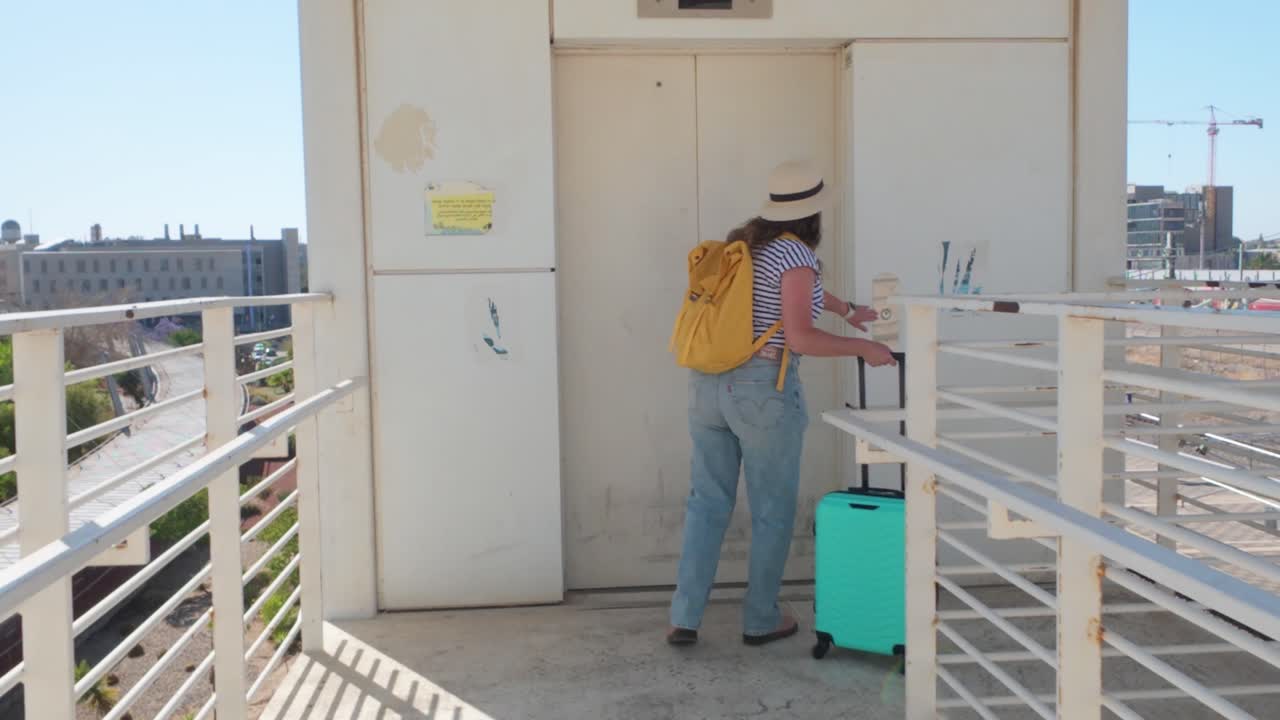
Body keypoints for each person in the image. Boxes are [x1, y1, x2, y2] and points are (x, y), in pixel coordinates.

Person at [667, 160, 897, 647]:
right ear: (814, 214)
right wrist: (863, 346)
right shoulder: (797, 256)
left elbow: (800, 295)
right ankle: (760, 619)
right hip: (760, 392)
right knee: (772, 510)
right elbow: (800, 335)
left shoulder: (750, 246)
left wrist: (845, 309)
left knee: (707, 503)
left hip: (707, 387)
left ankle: (684, 617)